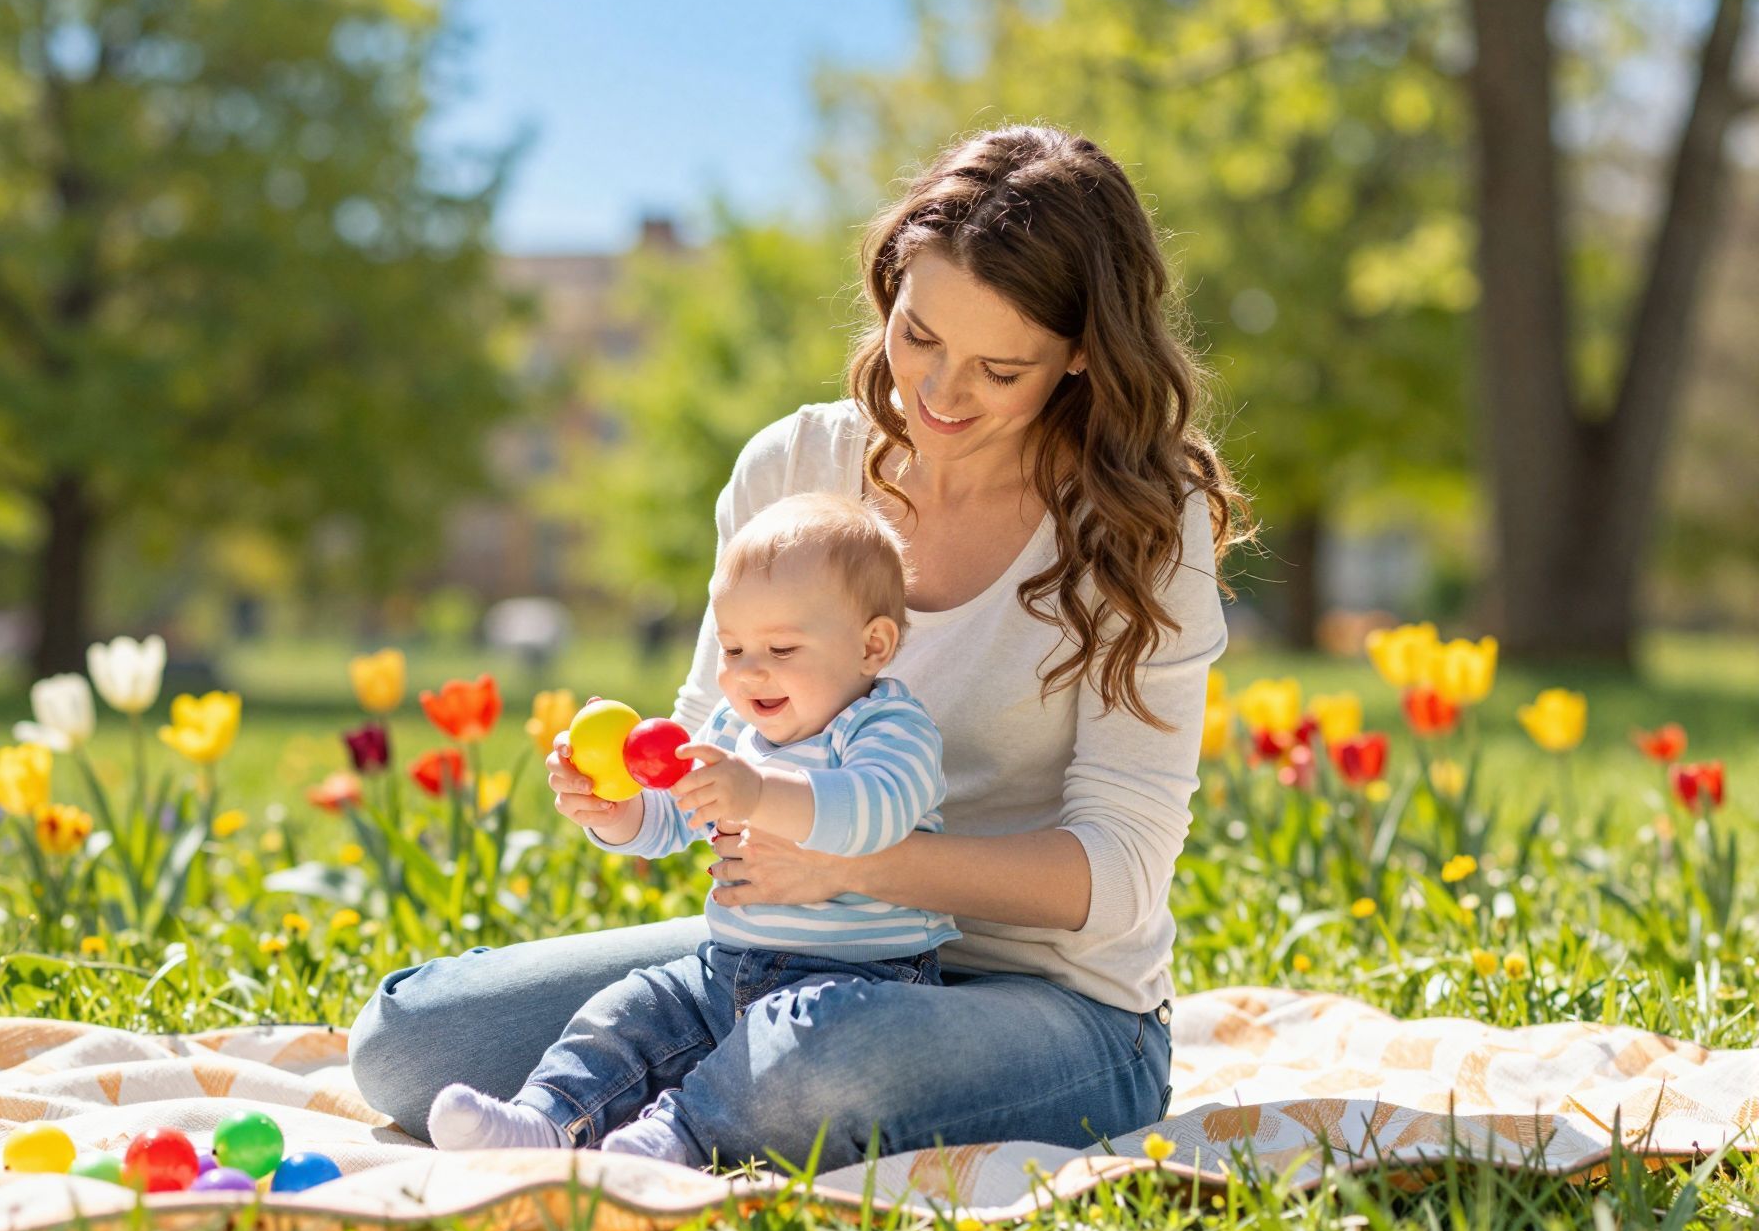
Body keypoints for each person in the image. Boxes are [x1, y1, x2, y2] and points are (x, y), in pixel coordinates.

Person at [350, 123, 1251, 1172]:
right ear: (888, 289)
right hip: (786, 951)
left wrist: (858, 864)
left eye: (998, 367)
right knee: (414, 1043)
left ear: (1083, 352)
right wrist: (628, 804)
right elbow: (708, 741)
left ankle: (669, 1131)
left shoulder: (1141, 521)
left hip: (1048, 1003)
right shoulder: (795, 466)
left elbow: (1118, 874)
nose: (940, 395)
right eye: (918, 337)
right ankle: (649, 1109)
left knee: (818, 1066)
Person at [427, 494, 957, 1165]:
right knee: (632, 1008)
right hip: (728, 967)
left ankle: (675, 1136)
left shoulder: (889, 728)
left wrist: (760, 793)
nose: (748, 670)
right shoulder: (737, 731)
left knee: (783, 1052)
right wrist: (617, 814)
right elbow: (672, 817)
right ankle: (543, 1119)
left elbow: (874, 813)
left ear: (871, 645)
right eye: (732, 648)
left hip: (862, 981)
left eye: (781, 647)